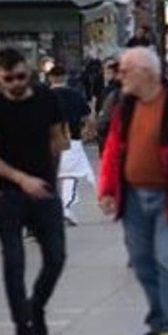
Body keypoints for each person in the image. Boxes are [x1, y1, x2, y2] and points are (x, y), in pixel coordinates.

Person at [97, 48, 168, 335]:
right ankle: (158, 322)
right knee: (143, 262)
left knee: (167, 259)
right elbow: (113, 149)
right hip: (132, 195)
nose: (119, 77)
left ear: (145, 73)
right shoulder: (126, 106)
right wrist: (106, 188)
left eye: (124, 71)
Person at [0, 48, 69, 335]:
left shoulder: (46, 98)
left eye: (21, 76)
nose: (16, 83)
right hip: (9, 193)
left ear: (28, 72)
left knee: (56, 257)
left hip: (44, 189)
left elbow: (58, 137)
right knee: (14, 262)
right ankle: (22, 331)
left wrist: (51, 170)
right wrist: (20, 178)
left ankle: (36, 306)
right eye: (8, 78)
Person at [47, 66, 95, 226]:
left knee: (53, 177)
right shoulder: (75, 95)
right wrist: (88, 133)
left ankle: (53, 212)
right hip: (72, 140)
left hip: (48, 142)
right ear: (65, 77)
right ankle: (65, 208)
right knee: (70, 175)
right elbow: (89, 118)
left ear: (50, 78)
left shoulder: (44, 96)